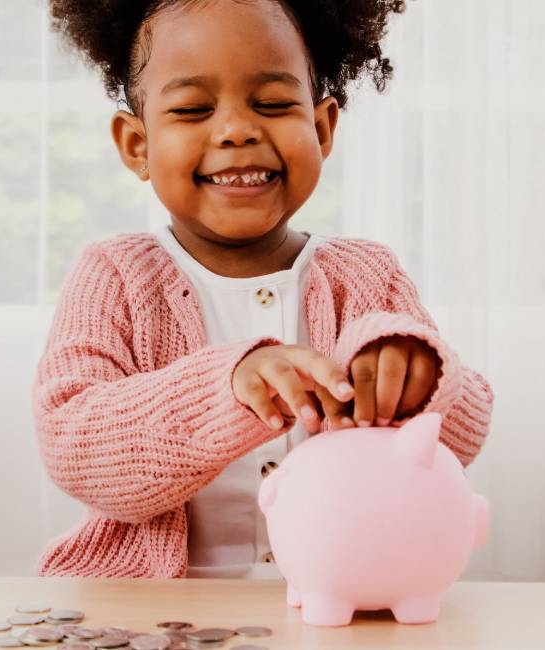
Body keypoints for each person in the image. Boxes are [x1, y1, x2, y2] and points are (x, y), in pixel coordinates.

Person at [35, 0, 494, 579]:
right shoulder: (116, 276)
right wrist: (228, 388)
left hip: (337, 605)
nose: (237, 131)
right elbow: (73, 440)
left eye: (274, 104)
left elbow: (462, 435)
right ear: (137, 145)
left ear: (322, 128)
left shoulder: (366, 276)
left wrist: (421, 375)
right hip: (150, 613)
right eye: (194, 108)